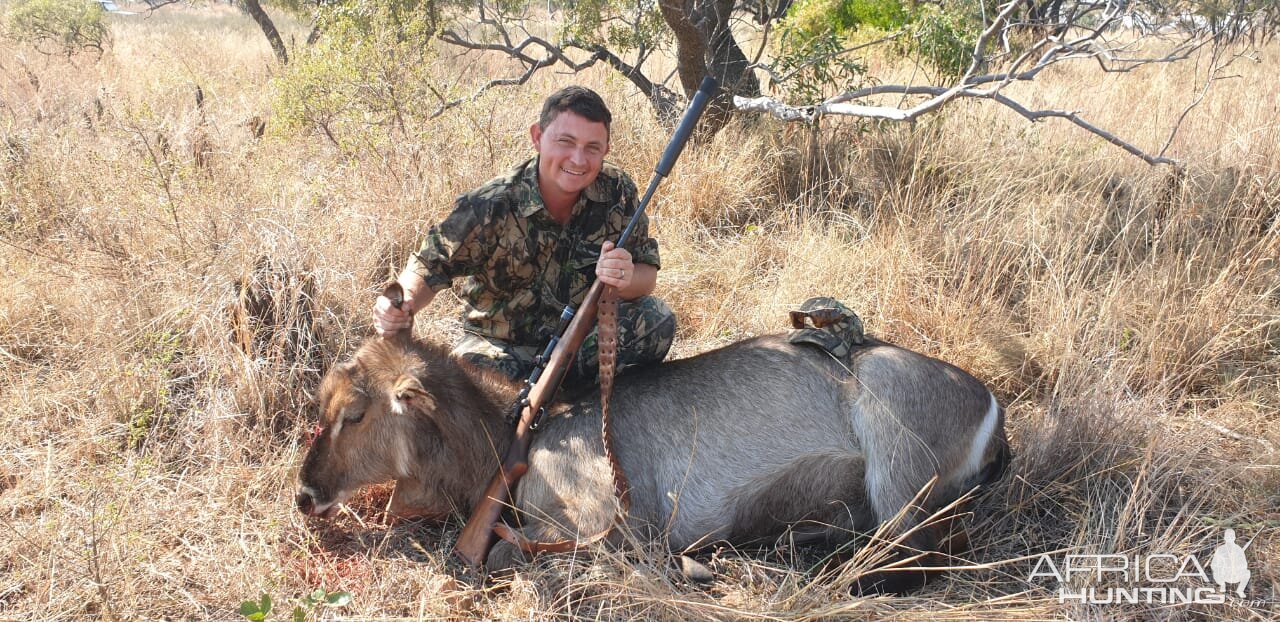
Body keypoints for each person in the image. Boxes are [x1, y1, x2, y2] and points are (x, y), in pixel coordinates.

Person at [372, 85, 676, 385]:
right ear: (537, 137)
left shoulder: (618, 190)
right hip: (500, 348)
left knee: (656, 319)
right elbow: (429, 263)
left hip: (580, 341)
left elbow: (646, 276)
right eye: (565, 142)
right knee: (466, 388)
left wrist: (624, 278)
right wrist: (401, 303)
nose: (578, 159)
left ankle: (572, 396)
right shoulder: (492, 203)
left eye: (592, 147)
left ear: (606, 149)